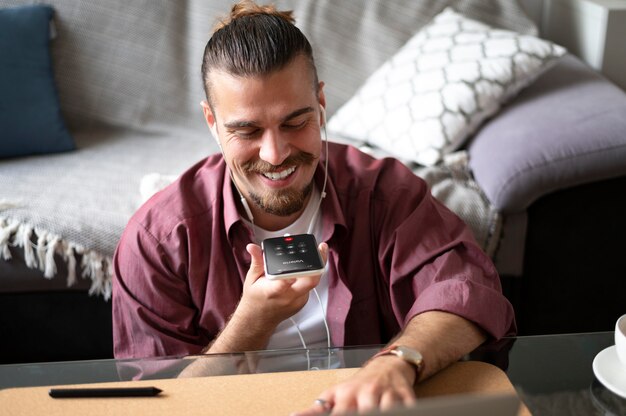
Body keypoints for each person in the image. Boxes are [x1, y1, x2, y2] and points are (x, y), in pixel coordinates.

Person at [112, 1, 516, 414]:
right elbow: (158, 404)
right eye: (247, 130)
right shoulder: (156, 239)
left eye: (295, 123)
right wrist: (251, 323)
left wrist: (397, 363)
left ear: (320, 102)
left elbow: (467, 293)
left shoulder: (385, 193)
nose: (274, 154)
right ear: (212, 122)